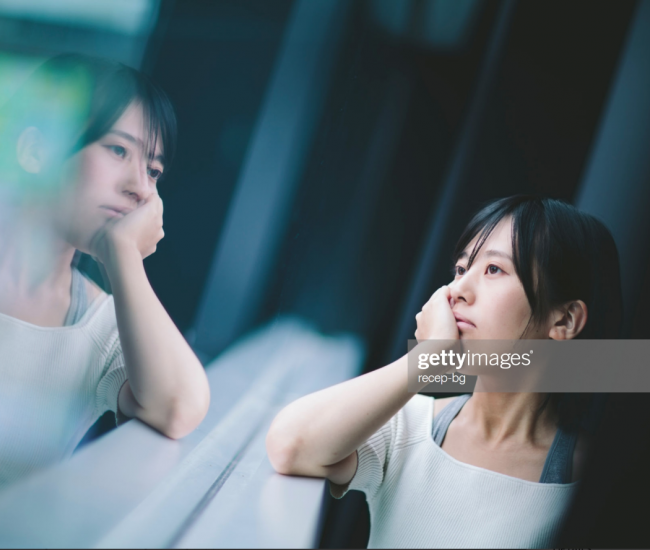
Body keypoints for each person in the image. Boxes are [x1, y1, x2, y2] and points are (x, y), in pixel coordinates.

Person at [266, 195, 622, 548]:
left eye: (494, 269)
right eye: (461, 269)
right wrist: (426, 361)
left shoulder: (587, 487)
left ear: (565, 319)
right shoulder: (408, 425)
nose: (456, 291)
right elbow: (289, 445)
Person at [0, 54, 210, 488]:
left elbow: (179, 408)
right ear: (37, 148)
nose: (140, 188)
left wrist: (122, 256)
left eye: (154, 171)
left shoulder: (101, 328)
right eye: (118, 150)